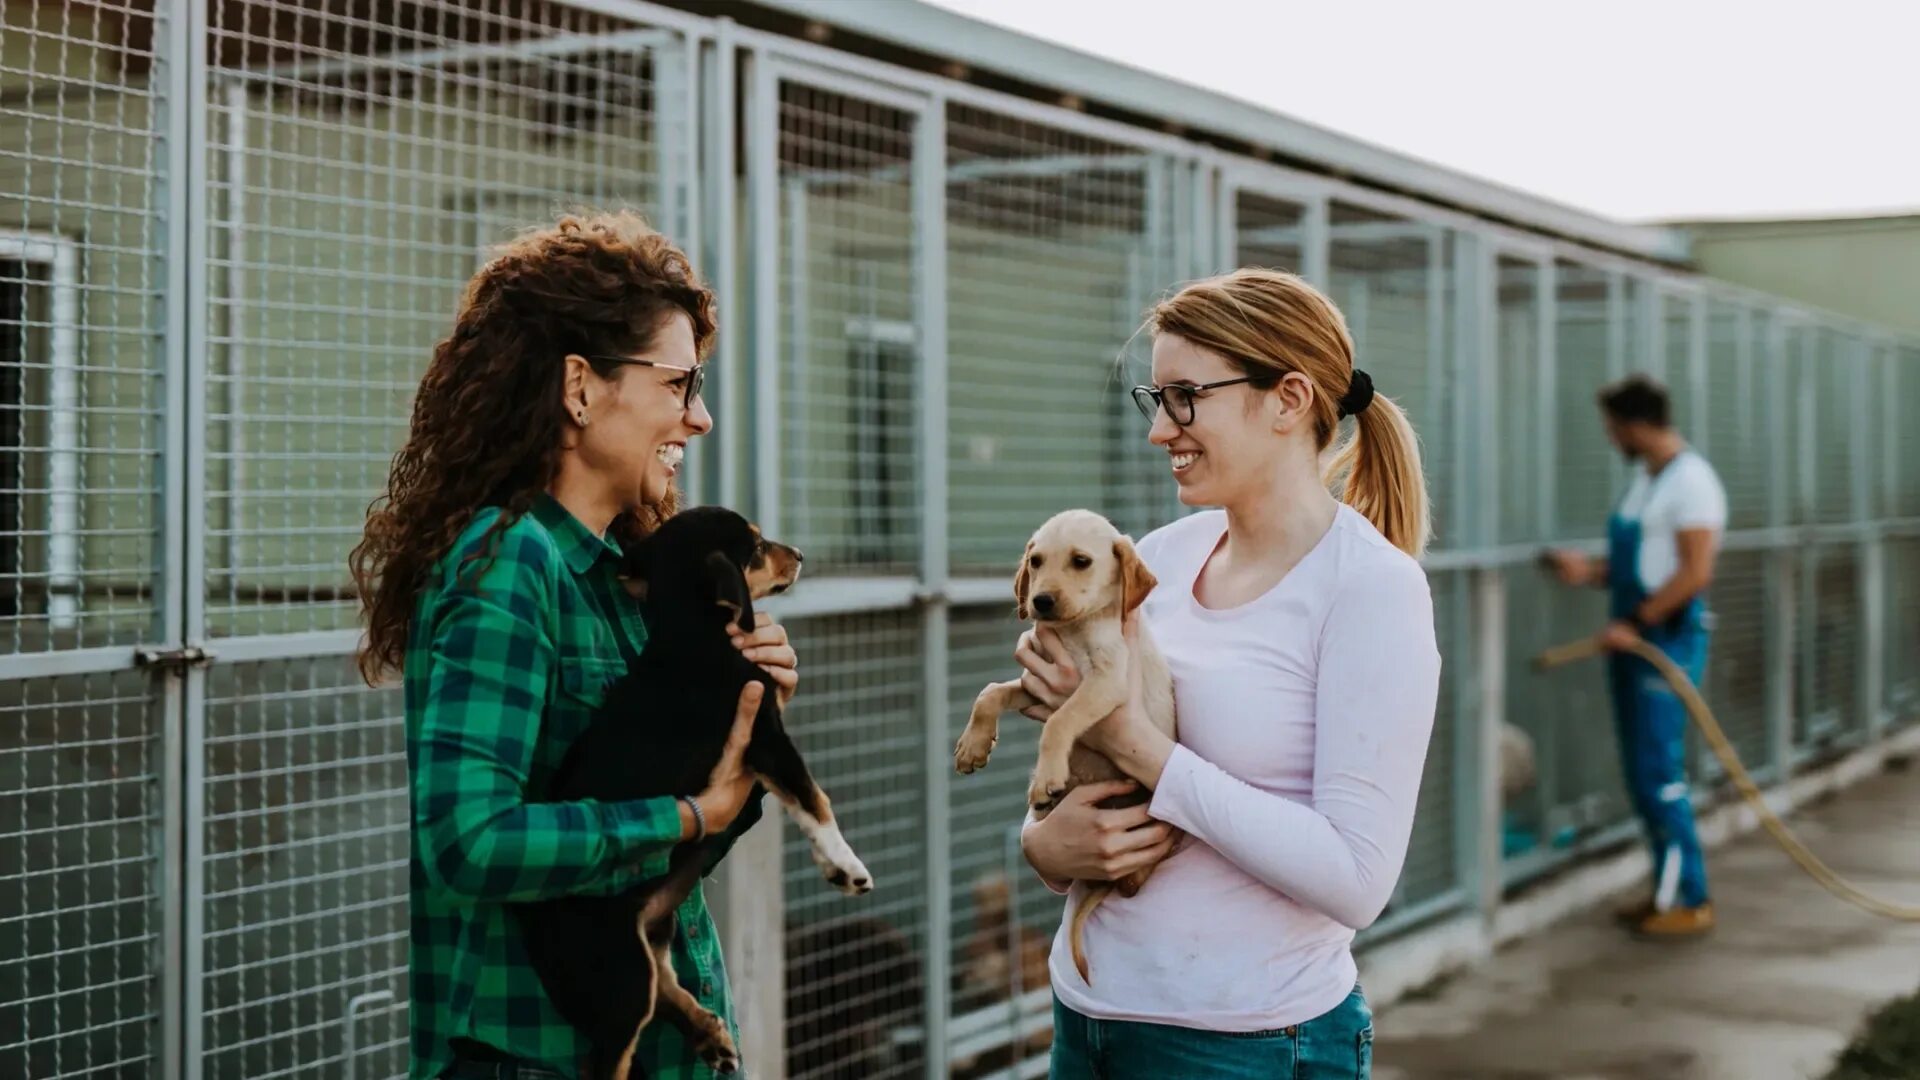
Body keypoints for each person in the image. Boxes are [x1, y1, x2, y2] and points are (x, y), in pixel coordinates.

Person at [349, 212, 798, 1080]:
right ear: (581, 388)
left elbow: (674, 848)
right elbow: (469, 840)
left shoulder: (625, 576)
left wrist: (741, 729)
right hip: (533, 1055)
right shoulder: (509, 562)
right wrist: (686, 814)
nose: (698, 418)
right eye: (680, 383)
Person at [1012, 269, 1441, 1079]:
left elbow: (1356, 881)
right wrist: (1044, 844)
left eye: (1186, 397)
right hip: (1088, 1018)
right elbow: (1074, 773)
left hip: (1246, 1043)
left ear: (1288, 399)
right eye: (1156, 398)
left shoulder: (1371, 589)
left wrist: (1143, 751)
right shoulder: (1159, 560)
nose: (1159, 429)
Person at [1542, 373, 1726, 939]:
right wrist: (1590, 572)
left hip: (1662, 641)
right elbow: (1639, 565)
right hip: (1635, 638)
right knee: (1643, 775)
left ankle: (1689, 898)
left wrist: (1635, 623)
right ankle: (1664, 890)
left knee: (1660, 775)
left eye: (1614, 429)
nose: (1611, 439)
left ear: (1637, 425)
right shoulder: (1649, 481)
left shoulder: (1692, 482)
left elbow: (1694, 573)